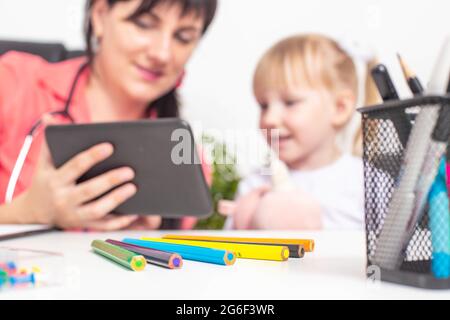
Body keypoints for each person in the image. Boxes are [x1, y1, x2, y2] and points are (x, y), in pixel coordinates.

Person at [0, 0, 217, 230]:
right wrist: (27, 212)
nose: (162, 54)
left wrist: (144, 242)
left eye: (183, 37)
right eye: (144, 24)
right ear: (100, 15)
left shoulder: (187, 164)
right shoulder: (12, 83)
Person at [222, 34, 379, 230]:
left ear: (339, 108)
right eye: (263, 105)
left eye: (290, 103)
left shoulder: (368, 183)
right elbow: (233, 249)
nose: (269, 118)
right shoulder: (255, 183)